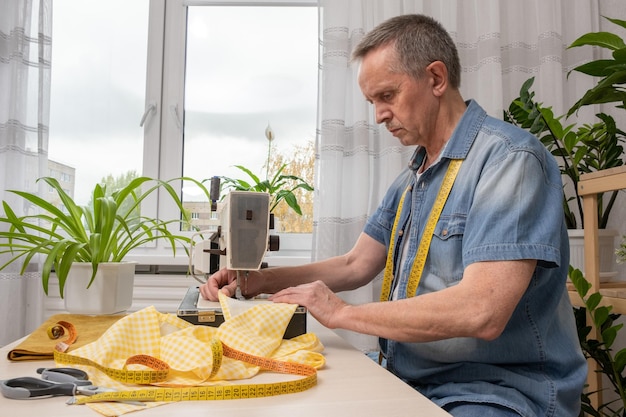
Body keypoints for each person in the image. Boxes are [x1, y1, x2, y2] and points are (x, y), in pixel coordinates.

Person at [200, 14, 587, 417]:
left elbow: (482, 310)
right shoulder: (412, 179)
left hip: (494, 391)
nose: (379, 115)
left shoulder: (509, 162)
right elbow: (355, 264)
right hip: (410, 376)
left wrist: (343, 313)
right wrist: (258, 280)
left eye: (387, 96)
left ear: (436, 78)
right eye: (372, 102)